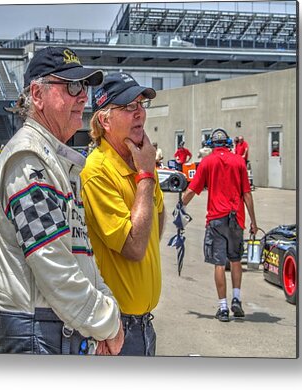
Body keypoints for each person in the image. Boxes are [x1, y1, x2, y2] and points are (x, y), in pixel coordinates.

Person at [0, 46, 123, 355]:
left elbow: (81, 254)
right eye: (72, 86)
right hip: (36, 334)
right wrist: (107, 322)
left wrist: (105, 307)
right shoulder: (29, 159)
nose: (83, 96)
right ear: (38, 94)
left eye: (85, 86)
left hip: (56, 331)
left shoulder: (54, 160)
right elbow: (53, 265)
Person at [81, 72, 165, 356]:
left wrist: (145, 173)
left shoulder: (139, 160)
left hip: (143, 325)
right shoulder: (98, 170)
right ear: (105, 120)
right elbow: (135, 246)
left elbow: (157, 221)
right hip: (117, 329)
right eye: (129, 106)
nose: (139, 112)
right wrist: (145, 176)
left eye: (141, 104)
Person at [181, 128, 258, 322]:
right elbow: (247, 194)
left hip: (216, 219)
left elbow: (192, 190)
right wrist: (253, 222)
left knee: (219, 263)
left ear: (212, 145)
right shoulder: (239, 161)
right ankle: (237, 300)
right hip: (236, 219)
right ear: (228, 143)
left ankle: (223, 308)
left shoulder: (207, 162)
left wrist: (179, 207)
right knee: (235, 260)